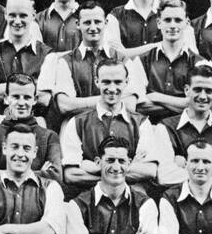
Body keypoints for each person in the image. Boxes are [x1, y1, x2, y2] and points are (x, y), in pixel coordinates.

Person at [59, 58, 158, 197]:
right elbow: (71, 175)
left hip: (130, 198)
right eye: (106, 82)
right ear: (97, 81)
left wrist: (96, 167)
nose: (112, 89)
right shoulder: (77, 123)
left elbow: (149, 170)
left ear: (126, 82)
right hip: (90, 199)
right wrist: (127, 168)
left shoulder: (141, 123)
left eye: (118, 82)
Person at [144, 62, 212, 189]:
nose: (203, 96)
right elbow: (165, 176)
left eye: (209, 91)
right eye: (197, 90)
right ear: (186, 90)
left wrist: (184, 166)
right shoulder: (166, 126)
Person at [41, 1, 136, 131]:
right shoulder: (65, 61)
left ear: (106, 23)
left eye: (97, 22)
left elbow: (130, 104)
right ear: (78, 24)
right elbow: (65, 105)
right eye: (87, 22)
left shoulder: (122, 59)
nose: (92, 27)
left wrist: (80, 103)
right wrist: (113, 98)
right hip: (79, 129)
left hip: (117, 128)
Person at [0, 0, 53, 129]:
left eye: (23, 15)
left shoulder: (47, 55)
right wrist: (32, 86)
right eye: (12, 15)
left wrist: (0, 89)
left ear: (33, 15)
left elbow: (45, 98)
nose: (17, 21)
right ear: (5, 14)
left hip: (34, 124)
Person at [0, 75, 63, 188]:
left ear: (35, 100)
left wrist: (1, 173)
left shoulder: (49, 137)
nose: (21, 103)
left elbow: (55, 177)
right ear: (6, 98)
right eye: (16, 97)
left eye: (27, 97)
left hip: (37, 203)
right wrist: (40, 173)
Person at [128, 0, 200, 125]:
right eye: (167, 20)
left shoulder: (198, 63)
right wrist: (182, 103)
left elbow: (201, 104)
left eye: (178, 20)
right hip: (149, 129)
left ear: (187, 23)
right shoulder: (142, 60)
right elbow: (136, 106)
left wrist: (156, 97)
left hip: (186, 131)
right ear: (159, 23)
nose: (172, 25)